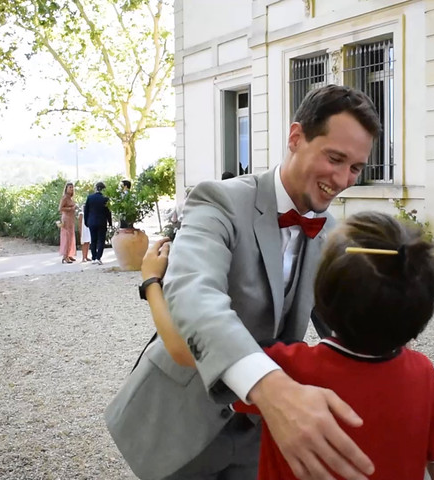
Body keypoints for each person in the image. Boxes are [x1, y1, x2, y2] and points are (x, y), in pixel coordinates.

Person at [105, 84, 382, 480]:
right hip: (181, 418)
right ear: (296, 137)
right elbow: (194, 297)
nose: (342, 179)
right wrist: (270, 388)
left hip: (260, 432)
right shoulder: (218, 200)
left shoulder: (332, 232)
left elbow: (345, 329)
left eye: (355, 167)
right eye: (335, 158)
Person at [140, 212, 434, 480]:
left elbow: (183, 347)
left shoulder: (285, 369)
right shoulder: (423, 373)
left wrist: (151, 282)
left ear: (322, 295)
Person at [84, 182, 113, 265]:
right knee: (101, 240)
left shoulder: (90, 197)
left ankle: (93, 257)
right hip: (102, 222)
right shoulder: (105, 199)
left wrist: (86, 221)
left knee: (93, 240)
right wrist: (110, 223)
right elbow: (108, 212)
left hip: (91, 222)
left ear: (96, 188)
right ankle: (98, 257)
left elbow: (86, 210)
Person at [59, 182, 77, 264]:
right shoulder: (65, 198)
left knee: (71, 236)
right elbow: (60, 208)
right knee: (66, 237)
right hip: (66, 218)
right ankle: (65, 256)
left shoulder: (70, 198)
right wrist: (71, 208)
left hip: (71, 219)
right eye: (70, 187)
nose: (71, 189)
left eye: (72, 187)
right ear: (66, 189)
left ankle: (69, 254)